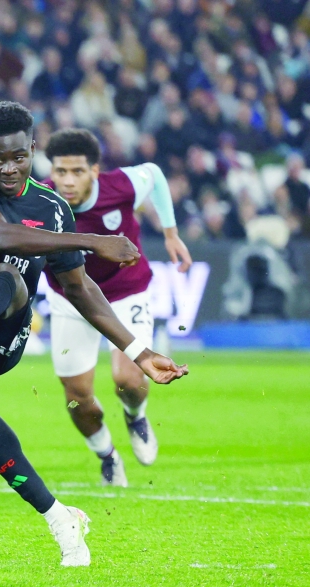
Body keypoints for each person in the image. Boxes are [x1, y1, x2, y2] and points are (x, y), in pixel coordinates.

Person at [0, 102, 188, 566]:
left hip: (1, 327)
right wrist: (94, 241)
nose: (8, 169)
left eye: (19, 157)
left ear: (33, 150)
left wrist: (139, 351)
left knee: (8, 275)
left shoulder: (51, 208)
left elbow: (79, 288)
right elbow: (0, 235)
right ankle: (60, 519)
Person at [44, 128, 193, 486]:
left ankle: (135, 414)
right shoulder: (40, 200)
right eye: (61, 171)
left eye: (77, 171)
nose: (68, 181)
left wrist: (171, 233)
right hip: (69, 299)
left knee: (128, 379)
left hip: (126, 292)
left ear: (94, 171)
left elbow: (155, 174)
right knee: (77, 398)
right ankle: (107, 455)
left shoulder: (120, 186)